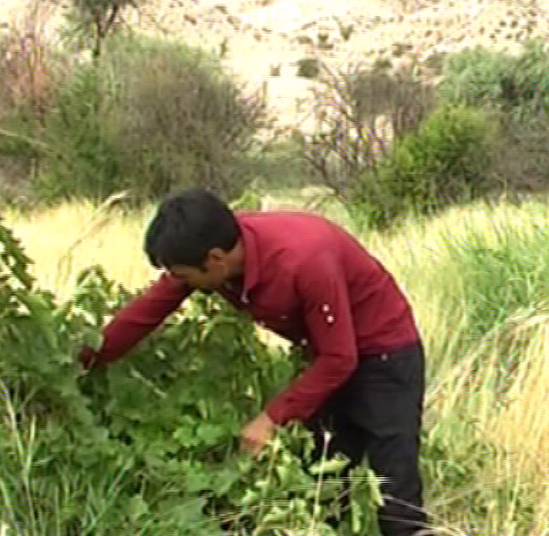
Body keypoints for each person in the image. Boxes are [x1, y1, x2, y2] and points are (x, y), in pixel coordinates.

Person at [79, 187, 428, 536]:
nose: (178, 284)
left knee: (394, 492)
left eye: (183, 276)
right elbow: (148, 311)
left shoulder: (303, 260)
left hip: (385, 354)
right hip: (328, 354)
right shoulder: (217, 248)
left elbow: (339, 358)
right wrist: (81, 360)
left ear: (215, 259)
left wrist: (270, 419)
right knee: (324, 485)